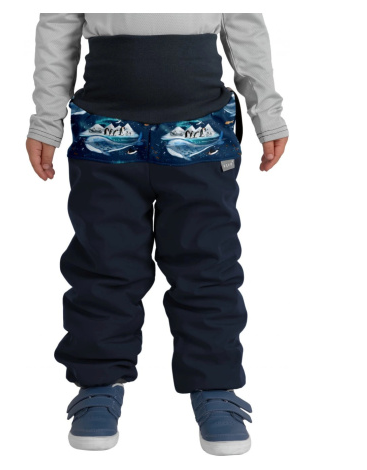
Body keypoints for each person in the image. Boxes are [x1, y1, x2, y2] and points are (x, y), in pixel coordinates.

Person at [26, 13, 289, 456]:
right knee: (103, 263)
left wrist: (269, 114)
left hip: (202, 130)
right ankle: (97, 384)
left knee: (208, 265)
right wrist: (45, 121)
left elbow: (243, 25)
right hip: (104, 130)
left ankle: (215, 386)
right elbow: (59, 27)